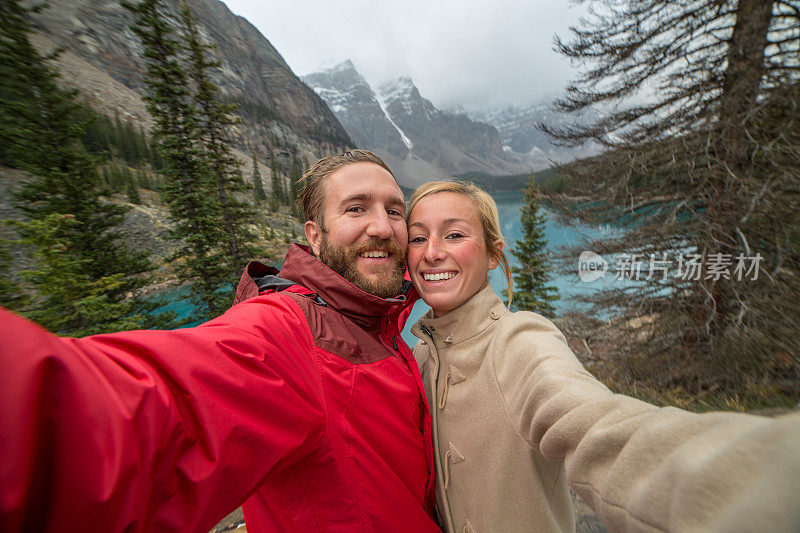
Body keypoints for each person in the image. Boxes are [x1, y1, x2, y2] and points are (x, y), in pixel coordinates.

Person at [0, 150, 438, 533]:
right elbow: (130, 413)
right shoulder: (287, 334)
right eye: (356, 209)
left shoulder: (375, 323)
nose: (382, 227)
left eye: (395, 210)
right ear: (315, 236)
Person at [405, 180, 800, 533]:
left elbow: (596, 425)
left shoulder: (518, 340)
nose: (433, 252)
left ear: (494, 254)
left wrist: (763, 478)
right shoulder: (421, 355)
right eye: (417, 238)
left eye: (455, 234)